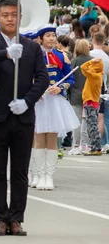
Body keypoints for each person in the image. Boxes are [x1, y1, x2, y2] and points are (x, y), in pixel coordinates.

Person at [0, 0, 49, 236]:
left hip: (22, 116)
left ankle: (16, 218)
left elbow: (43, 78)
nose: (9, 19)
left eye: (14, 15)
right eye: (5, 15)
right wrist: (6, 53)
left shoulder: (32, 47)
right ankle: (0, 219)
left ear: (20, 17)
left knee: (19, 172)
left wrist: (27, 101)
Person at [31, 25, 79, 191]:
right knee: (38, 139)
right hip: (39, 101)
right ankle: (38, 173)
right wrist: (34, 92)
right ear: (40, 38)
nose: (51, 38)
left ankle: (48, 176)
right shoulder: (33, 56)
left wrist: (60, 88)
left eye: (53, 35)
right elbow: (26, 79)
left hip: (55, 102)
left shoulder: (62, 56)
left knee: (52, 139)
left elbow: (70, 79)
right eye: (48, 36)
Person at [68, 40, 94, 155]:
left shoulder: (74, 61)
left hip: (75, 94)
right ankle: (85, 144)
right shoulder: (93, 60)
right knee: (86, 120)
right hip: (90, 94)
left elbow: (69, 78)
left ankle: (76, 145)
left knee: (76, 121)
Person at [80, 58, 104, 156]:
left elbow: (83, 67)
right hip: (91, 102)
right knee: (92, 125)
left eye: (93, 65)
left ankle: (96, 147)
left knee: (92, 126)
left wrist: (91, 61)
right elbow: (85, 69)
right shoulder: (96, 75)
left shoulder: (94, 76)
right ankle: (95, 147)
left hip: (90, 103)